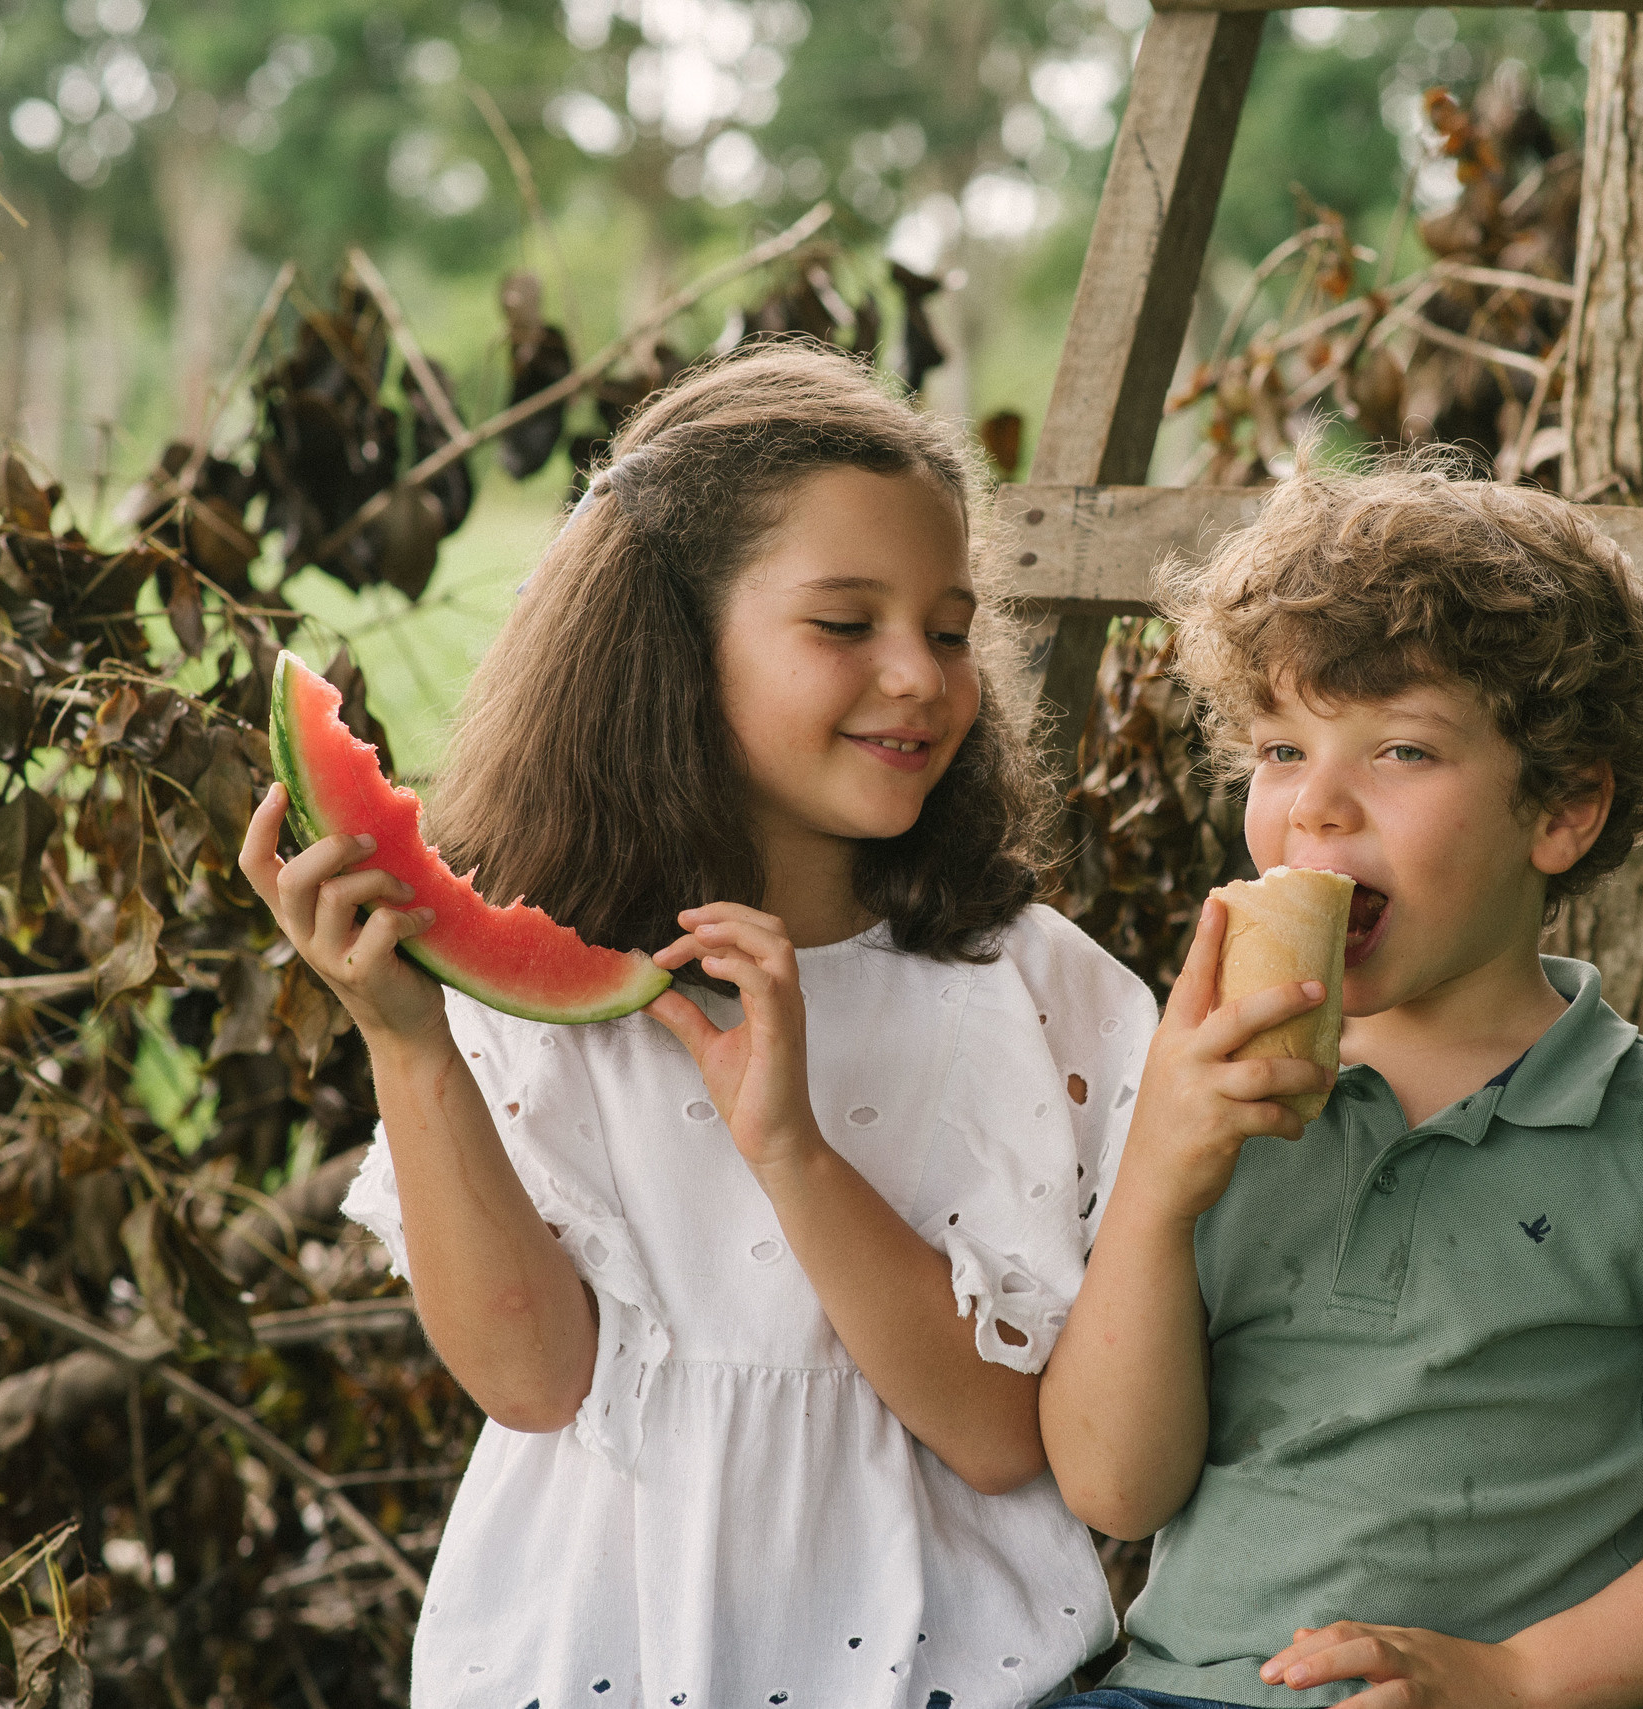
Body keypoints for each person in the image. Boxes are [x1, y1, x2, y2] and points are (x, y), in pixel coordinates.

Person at [239, 342, 1153, 1709]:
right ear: (670, 647)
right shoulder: (531, 992)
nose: (918, 674)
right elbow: (535, 1381)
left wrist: (790, 1150)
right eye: (846, 625)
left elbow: (1004, 1435)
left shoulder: (1032, 991)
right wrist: (408, 1040)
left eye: (950, 628)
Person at [1040, 464, 1643, 1709]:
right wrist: (1157, 1186)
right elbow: (1117, 1489)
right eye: (1280, 746)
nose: (1315, 801)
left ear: (1562, 808)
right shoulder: (1209, 1096)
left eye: (1401, 749)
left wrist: (1521, 1673)